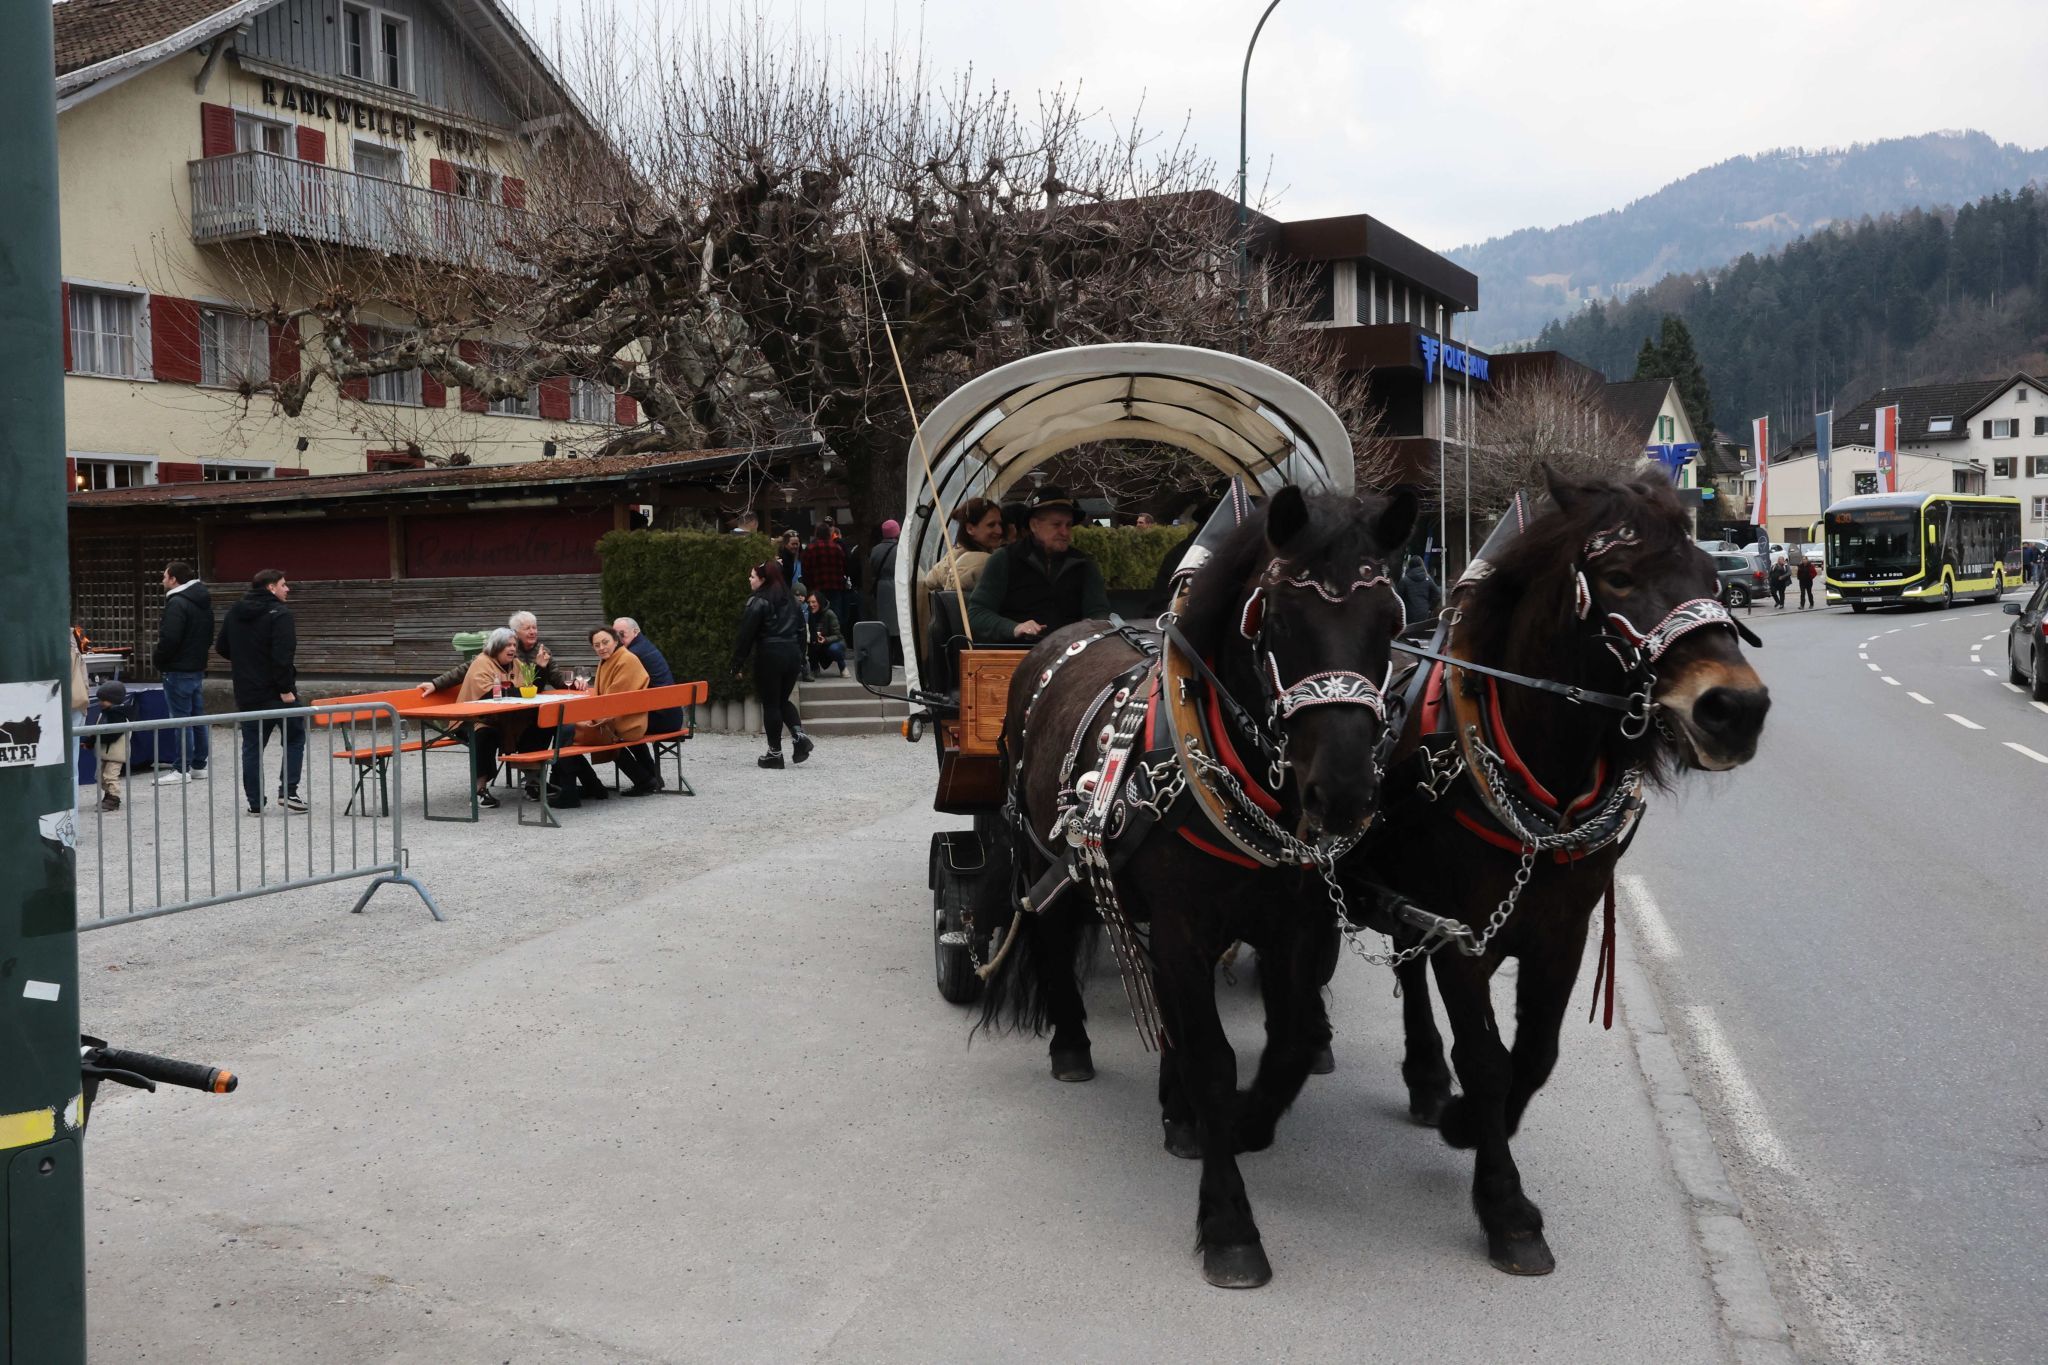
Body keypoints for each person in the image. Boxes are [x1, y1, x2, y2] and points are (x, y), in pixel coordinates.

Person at [214, 568, 307, 815]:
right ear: (271, 587)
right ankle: (289, 791)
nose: (287, 589)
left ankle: (255, 802)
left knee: (252, 746)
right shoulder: (280, 614)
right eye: (284, 584)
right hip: (278, 692)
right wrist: (286, 689)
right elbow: (283, 655)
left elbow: (221, 646)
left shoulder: (236, 611)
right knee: (295, 737)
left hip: (247, 691)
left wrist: (246, 660)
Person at [968, 485, 1111, 644]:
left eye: (1068, 525)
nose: (1065, 532)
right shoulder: (1004, 559)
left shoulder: (1083, 565)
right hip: (1016, 655)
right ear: (1034, 525)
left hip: (1068, 656)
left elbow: (1099, 613)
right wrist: (1015, 628)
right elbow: (977, 614)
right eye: (1057, 525)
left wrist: (1085, 632)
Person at [554, 626, 661, 800]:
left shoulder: (626, 660)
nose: (602, 648)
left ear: (616, 641)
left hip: (627, 721)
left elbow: (611, 700)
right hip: (620, 716)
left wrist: (588, 717)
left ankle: (571, 790)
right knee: (569, 731)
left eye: (605, 642)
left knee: (567, 731)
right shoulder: (610, 660)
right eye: (597, 645)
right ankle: (640, 779)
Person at [730, 561, 812, 769]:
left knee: (771, 704)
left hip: (769, 655)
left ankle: (774, 753)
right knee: (782, 700)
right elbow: (802, 632)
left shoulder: (758, 602)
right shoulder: (793, 601)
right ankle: (799, 736)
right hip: (792, 654)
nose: (749, 580)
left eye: (753, 577)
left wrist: (737, 663)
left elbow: (745, 636)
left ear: (764, 580)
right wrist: (801, 659)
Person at [151, 560, 212, 784]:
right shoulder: (202, 600)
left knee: (180, 719)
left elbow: (170, 638)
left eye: (164, 576)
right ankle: (199, 765)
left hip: (177, 668)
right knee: (197, 717)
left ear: (174, 579)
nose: (162, 580)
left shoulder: (177, 603)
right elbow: (209, 635)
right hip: (196, 666)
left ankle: (181, 768)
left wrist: (159, 659)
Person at [421, 610, 571, 697]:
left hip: (530, 701)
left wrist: (575, 684)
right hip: (506, 703)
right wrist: (436, 684)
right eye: (527, 628)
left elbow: (556, 678)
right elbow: (465, 669)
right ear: (515, 632)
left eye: (534, 628)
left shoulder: (543, 651)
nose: (533, 632)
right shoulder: (502, 650)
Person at [456, 628, 525, 809]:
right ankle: (478, 790)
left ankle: (534, 781)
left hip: (503, 718)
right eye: (507, 645)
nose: (512, 649)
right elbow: (488, 694)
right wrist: (517, 691)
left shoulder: (516, 664)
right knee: (486, 734)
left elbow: (528, 686)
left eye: (514, 645)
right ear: (496, 647)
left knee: (536, 726)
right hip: (470, 719)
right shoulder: (482, 663)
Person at [611, 616, 678, 791]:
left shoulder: (632, 655)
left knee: (610, 731)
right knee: (627, 726)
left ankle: (644, 780)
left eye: (622, 634)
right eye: (614, 635)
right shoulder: (644, 646)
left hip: (661, 718)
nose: (617, 639)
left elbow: (621, 691)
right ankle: (652, 776)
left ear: (636, 632)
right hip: (671, 715)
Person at [922, 497, 1004, 597]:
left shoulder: (953, 555)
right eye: (991, 525)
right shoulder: (982, 562)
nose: (999, 530)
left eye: (1000, 524)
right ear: (970, 529)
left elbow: (930, 580)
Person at [802, 522, 858, 654]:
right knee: (836, 618)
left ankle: (816, 645)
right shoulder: (837, 548)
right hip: (835, 587)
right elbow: (845, 567)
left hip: (816, 588)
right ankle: (836, 645)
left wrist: (809, 587)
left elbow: (805, 570)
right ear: (829, 534)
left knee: (815, 617)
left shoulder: (810, 549)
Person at [89, 681, 135, 813]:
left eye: (104, 700)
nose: (100, 703)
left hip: (115, 754)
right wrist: (91, 741)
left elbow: (112, 734)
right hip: (105, 751)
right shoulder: (106, 714)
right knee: (100, 776)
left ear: (113, 700)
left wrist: (94, 739)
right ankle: (109, 795)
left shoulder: (117, 716)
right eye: (100, 699)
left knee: (110, 776)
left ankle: (113, 799)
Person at [869, 518, 902, 661]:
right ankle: (898, 657)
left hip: (881, 588)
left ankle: (886, 655)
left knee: (885, 622)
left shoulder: (875, 550)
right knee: (899, 622)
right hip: (897, 586)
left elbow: (872, 568)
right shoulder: (900, 549)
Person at [1397, 556, 1441, 630]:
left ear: (1410, 565)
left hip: (1409, 615)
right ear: (1421, 564)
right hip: (1424, 614)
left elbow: (1398, 599)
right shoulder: (1428, 579)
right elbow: (1437, 596)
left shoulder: (1404, 581)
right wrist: (1430, 608)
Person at [807, 592, 846, 675]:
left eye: (814, 602)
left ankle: (843, 667)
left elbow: (837, 635)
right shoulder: (808, 614)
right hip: (816, 643)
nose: (811, 605)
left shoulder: (829, 614)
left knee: (834, 649)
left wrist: (825, 639)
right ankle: (814, 668)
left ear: (820, 602)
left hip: (831, 642)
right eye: (809, 602)